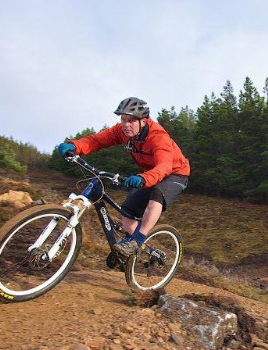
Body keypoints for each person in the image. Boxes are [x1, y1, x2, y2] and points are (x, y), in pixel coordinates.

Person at [56, 97, 190, 256]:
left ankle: (137, 241)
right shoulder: (122, 131)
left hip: (175, 173)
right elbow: (97, 141)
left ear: (143, 120)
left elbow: (164, 166)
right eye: (123, 119)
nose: (126, 125)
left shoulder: (158, 137)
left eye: (131, 120)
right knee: (127, 212)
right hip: (149, 174)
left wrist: (144, 178)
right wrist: (75, 146)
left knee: (157, 195)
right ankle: (136, 249)